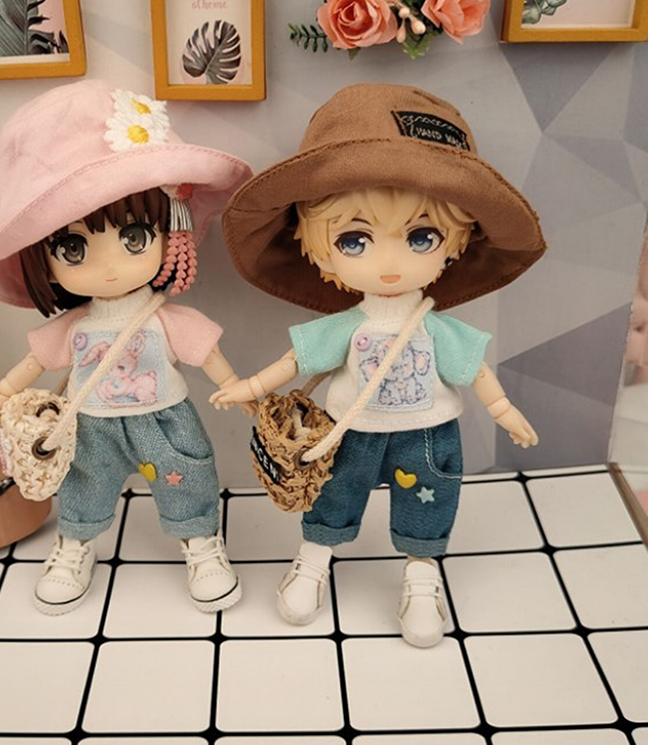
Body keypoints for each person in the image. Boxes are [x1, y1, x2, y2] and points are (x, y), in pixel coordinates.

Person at [211, 84, 546, 647]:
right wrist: (251, 385)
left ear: (457, 242)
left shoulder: (433, 326)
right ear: (316, 246)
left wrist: (502, 407)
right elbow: (296, 360)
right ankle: (314, 559)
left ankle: (421, 575)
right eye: (354, 240)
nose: (390, 263)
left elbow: (473, 368)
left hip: (427, 433)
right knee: (334, 493)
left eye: (421, 237)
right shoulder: (349, 324)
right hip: (351, 431)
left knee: (429, 500)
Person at [0, 80, 252, 615]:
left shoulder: (163, 318)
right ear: (41, 258)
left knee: (187, 478)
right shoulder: (76, 327)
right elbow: (34, 361)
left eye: (134, 238)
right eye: (73, 247)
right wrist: (3, 392)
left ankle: (200, 541)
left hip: (165, 420)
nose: (111, 266)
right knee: (84, 485)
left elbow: (206, 353)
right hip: (91, 425)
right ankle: (76, 542)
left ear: (171, 231)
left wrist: (238, 387)